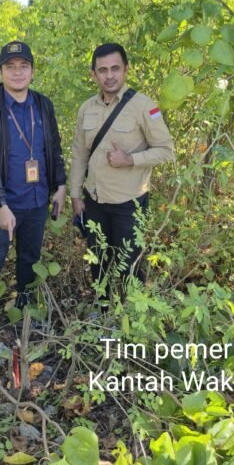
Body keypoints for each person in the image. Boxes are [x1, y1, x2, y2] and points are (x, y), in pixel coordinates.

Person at [0, 40, 67, 353]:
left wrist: (60, 185)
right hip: (6, 205)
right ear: (1, 72)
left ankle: (24, 304)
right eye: (10, 67)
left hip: (37, 200)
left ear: (32, 71)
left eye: (24, 66)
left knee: (30, 258)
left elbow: (54, 147)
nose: (17, 72)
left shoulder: (43, 105)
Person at [70, 43, 174, 299]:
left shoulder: (144, 106)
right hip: (94, 200)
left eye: (115, 68)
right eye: (102, 70)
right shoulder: (86, 108)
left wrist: (130, 159)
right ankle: (102, 308)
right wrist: (75, 195)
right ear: (93, 74)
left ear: (126, 69)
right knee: (98, 261)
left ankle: (131, 314)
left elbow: (166, 150)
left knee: (130, 266)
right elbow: (79, 154)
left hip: (129, 203)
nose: (109, 75)